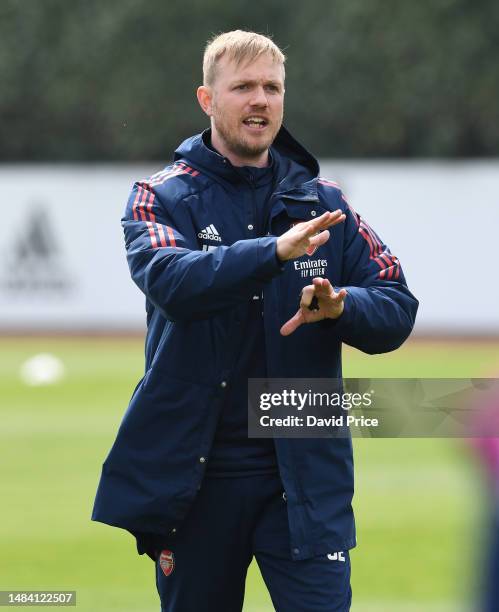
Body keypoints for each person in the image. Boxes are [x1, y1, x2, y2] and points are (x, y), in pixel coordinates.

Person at [92, 30, 418, 612]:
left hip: (306, 479)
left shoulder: (324, 202)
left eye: (272, 87)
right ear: (206, 99)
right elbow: (173, 280)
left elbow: (396, 304)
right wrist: (272, 252)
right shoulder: (160, 197)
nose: (260, 100)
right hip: (198, 481)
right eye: (243, 87)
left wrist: (345, 307)